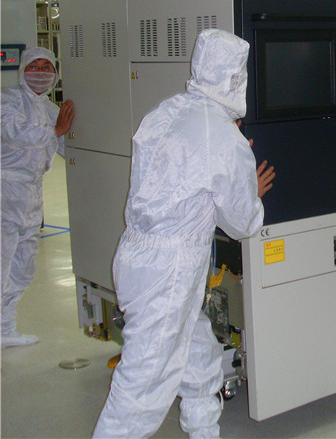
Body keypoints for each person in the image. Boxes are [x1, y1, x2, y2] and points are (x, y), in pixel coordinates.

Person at [92, 29, 275, 439]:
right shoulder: (224, 138)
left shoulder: (166, 111)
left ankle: (204, 432)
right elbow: (242, 223)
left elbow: (181, 180)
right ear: (235, 77)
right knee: (142, 389)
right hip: (170, 272)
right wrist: (250, 186)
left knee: (200, 359)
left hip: (136, 256)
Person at [1, 47, 75, 348]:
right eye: (35, 66)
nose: (41, 72)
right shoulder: (8, 99)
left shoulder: (48, 108)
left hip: (31, 193)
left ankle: (4, 328)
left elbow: (66, 142)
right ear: (23, 70)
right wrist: (55, 130)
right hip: (6, 189)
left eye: (47, 67)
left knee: (22, 266)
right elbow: (13, 132)